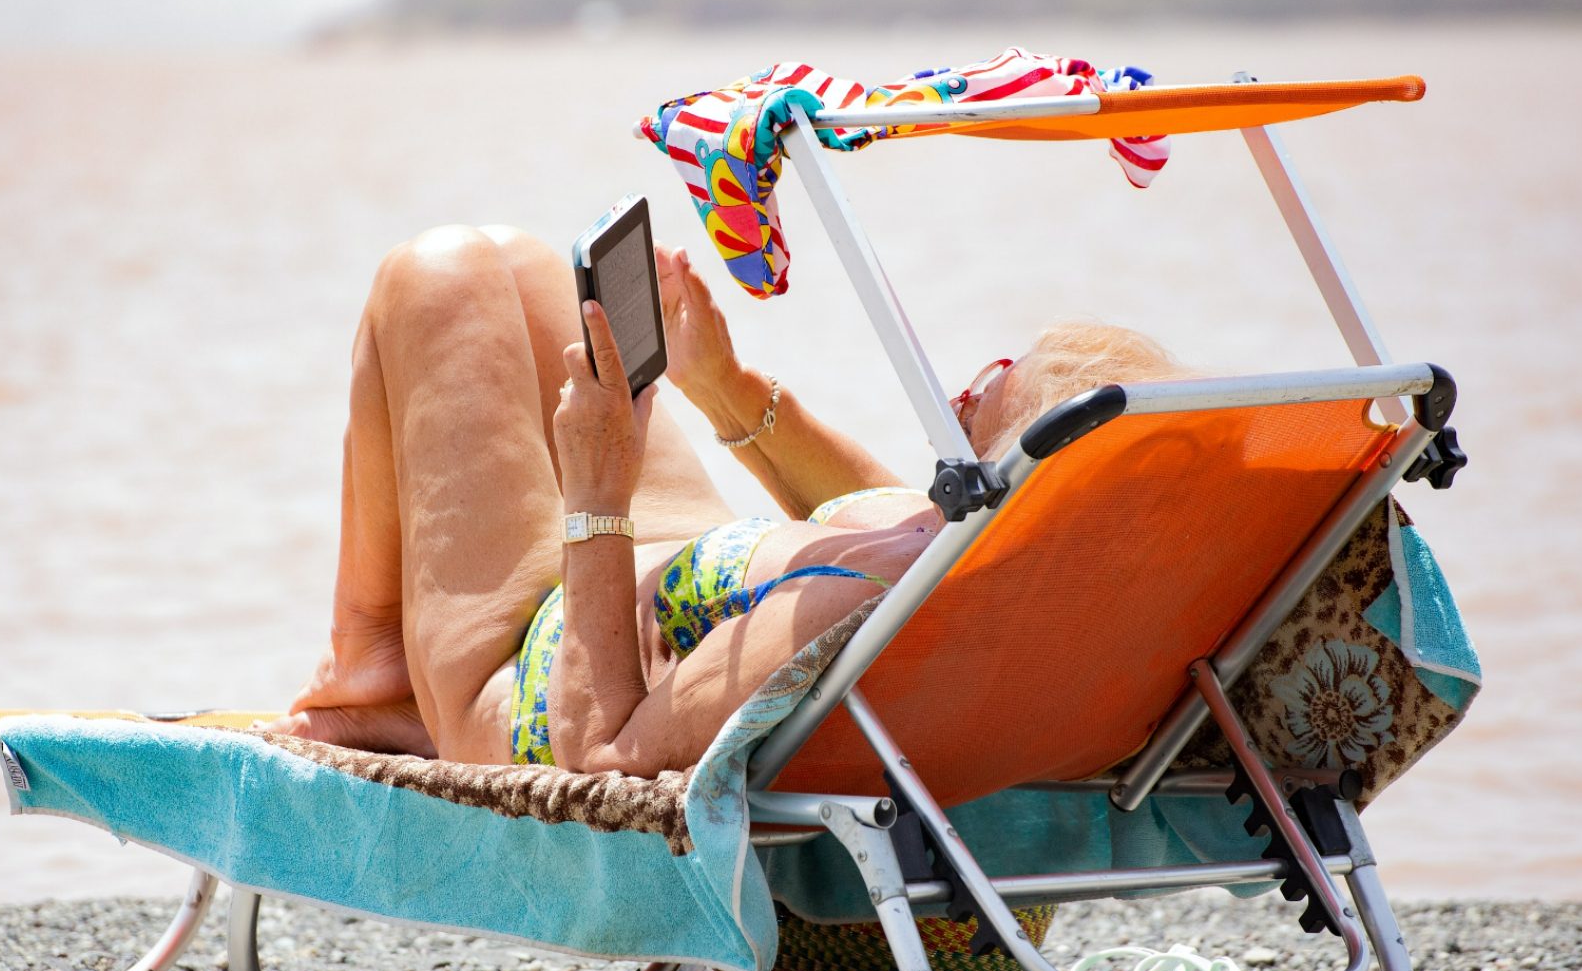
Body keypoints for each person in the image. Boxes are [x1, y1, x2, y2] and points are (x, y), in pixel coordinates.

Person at [266, 225, 1185, 773]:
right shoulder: (990, 564)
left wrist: (595, 485)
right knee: (523, 262)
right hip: (673, 569)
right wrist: (722, 381)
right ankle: (381, 665)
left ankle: (376, 667)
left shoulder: (848, 609)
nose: (959, 394)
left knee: (432, 274)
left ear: (1020, 458)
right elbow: (874, 506)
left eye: (992, 387)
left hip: (549, 677)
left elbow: (607, 758)